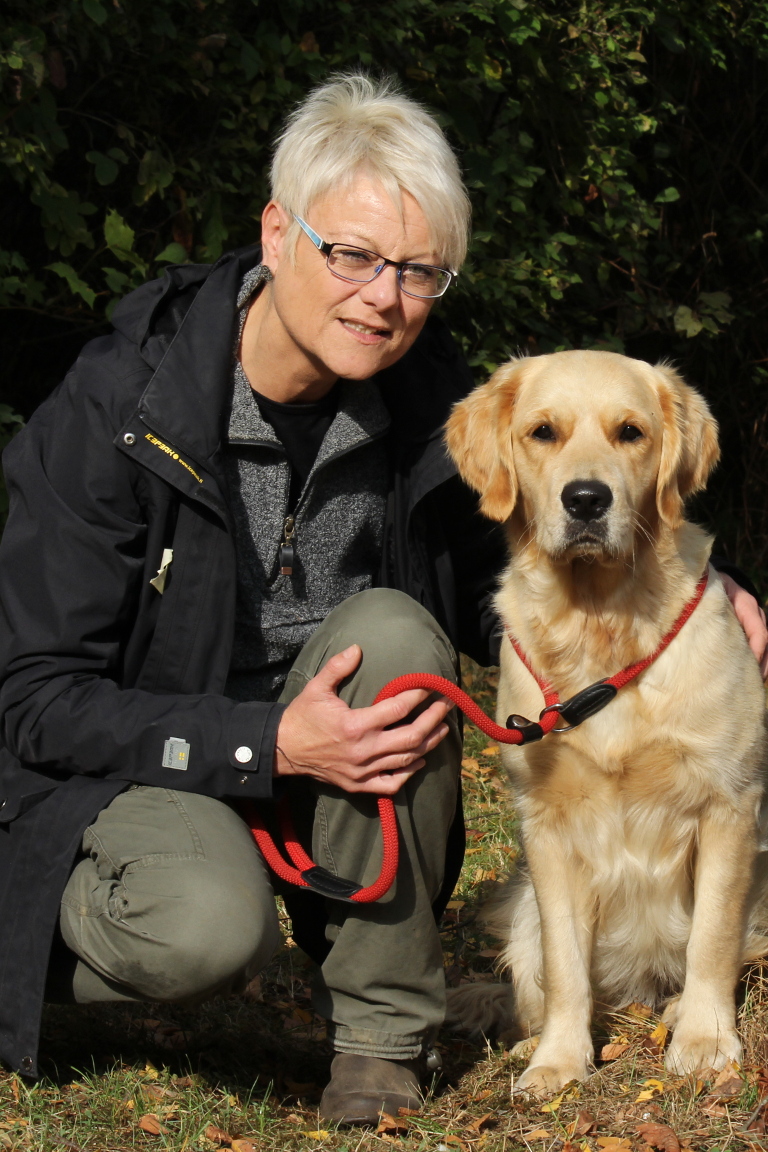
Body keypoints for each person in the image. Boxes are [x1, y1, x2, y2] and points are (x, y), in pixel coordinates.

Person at [0, 73, 765, 1125]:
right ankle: (29, 961)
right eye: (351, 255)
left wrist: (705, 591)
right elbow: (36, 698)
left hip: (326, 755)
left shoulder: (426, 404)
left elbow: (559, 534)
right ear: (277, 233)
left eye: (417, 271)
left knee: (398, 635)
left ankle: (378, 1040)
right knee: (204, 932)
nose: (382, 296)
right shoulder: (112, 409)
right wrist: (270, 744)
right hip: (147, 764)